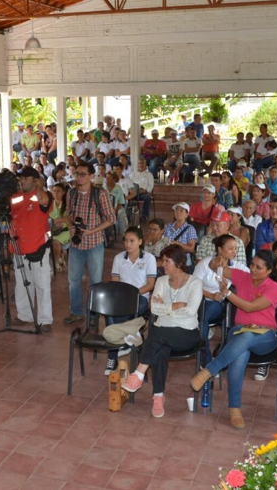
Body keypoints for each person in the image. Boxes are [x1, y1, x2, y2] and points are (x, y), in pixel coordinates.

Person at [190, 249, 277, 428]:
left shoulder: (274, 287)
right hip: (240, 330)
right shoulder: (242, 276)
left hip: (265, 335)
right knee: (239, 353)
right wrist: (217, 261)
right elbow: (215, 268)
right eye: (252, 264)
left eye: (259, 267)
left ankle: (209, 370)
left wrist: (228, 294)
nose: (253, 269)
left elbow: (249, 307)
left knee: (246, 337)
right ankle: (234, 409)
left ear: (269, 271)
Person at [121, 245, 203, 418]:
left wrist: (166, 308)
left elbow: (191, 311)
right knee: (160, 347)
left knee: (157, 334)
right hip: (163, 333)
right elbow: (154, 309)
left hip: (187, 333)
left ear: (179, 263)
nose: (162, 264)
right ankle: (158, 397)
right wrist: (176, 306)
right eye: (162, 260)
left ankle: (139, 373)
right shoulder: (161, 281)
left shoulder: (195, 283)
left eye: (167, 261)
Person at [0, 166, 54, 331]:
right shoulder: (16, 197)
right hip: (18, 247)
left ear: (35, 180)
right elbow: (1, 211)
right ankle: (24, 315)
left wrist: (39, 185)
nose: (22, 181)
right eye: (20, 178)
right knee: (21, 285)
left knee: (42, 284)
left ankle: (45, 320)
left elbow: (42, 200)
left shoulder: (44, 195)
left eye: (26, 178)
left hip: (38, 247)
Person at [65, 163, 116, 323]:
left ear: (92, 176)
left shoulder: (100, 194)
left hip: (94, 243)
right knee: (73, 280)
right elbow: (68, 213)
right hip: (76, 244)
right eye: (77, 174)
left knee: (95, 281)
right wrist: (70, 226)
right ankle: (76, 311)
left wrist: (91, 231)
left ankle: (93, 315)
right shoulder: (71, 193)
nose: (79, 178)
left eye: (83, 174)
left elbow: (111, 219)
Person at [104, 227, 157, 373]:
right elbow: (115, 281)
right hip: (121, 297)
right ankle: (127, 339)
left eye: (132, 241)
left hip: (141, 298)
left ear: (140, 241)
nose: (128, 244)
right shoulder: (119, 258)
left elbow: (150, 285)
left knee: (117, 317)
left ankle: (117, 351)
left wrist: (133, 294)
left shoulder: (149, 259)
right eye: (126, 241)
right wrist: (122, 295)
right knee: (110, 313)